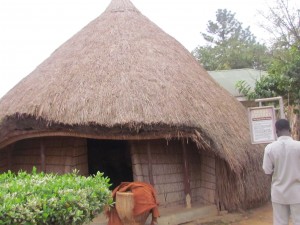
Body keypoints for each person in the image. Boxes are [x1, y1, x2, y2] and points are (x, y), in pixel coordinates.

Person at [263, 119, 300, 225]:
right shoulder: (298, 146)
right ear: (290, 130)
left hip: (278, 193)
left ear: (276, 131)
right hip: (297, 193)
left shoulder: (269, 148)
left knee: (280, 222)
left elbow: (267, 171)